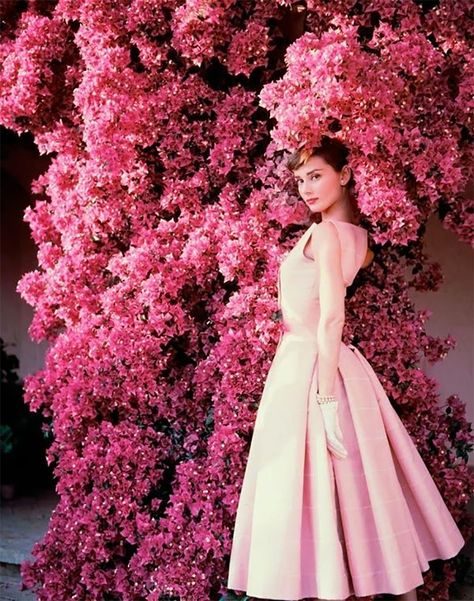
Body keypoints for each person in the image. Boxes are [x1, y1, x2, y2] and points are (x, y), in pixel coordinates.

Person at [226, 136, 465, 601]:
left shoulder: (326, 234)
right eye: (300, 180)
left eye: (316, 176)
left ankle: (336, 586)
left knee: (315, 493)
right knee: (358, 496)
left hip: (311, 367)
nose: (307, 189)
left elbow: (333, 315)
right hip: (336, 365)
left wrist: (325, 398)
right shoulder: (360, 237)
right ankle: (375, 584)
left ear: (345, 175)